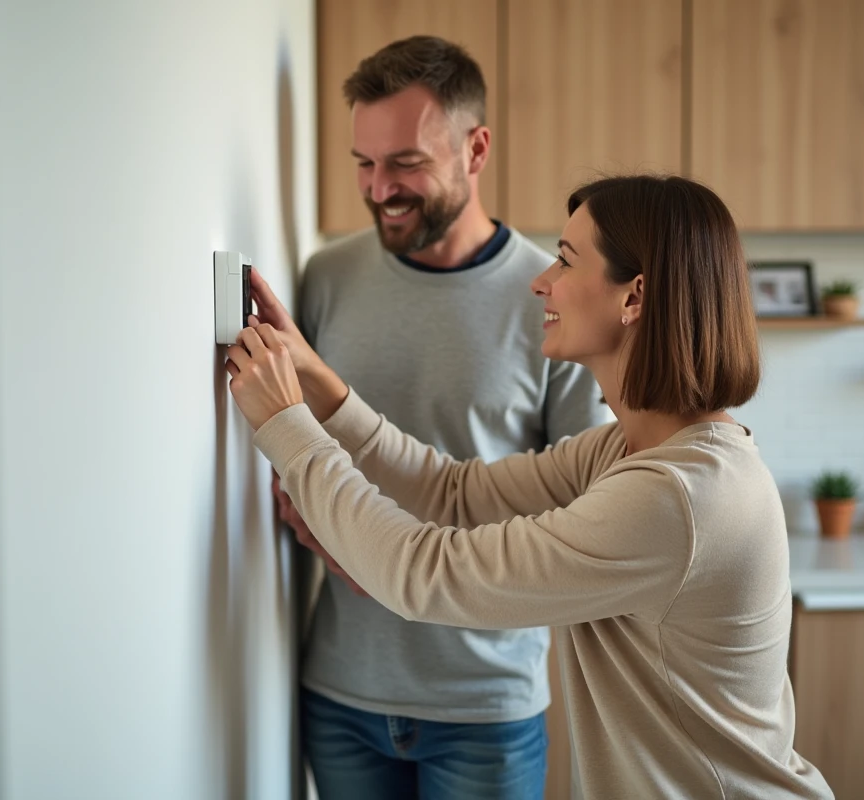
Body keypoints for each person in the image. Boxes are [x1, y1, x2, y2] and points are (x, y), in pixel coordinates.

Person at [227, 174, 835, 799]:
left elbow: (426, 575)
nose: (541, 281)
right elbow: (454, 493)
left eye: (566, 261)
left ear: (634, 296)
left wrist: (288, 427)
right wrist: (316, 382)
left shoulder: (676, 496)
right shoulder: (627, 450)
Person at [278, 35, 605, 800]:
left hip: (485, 707)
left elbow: (581, 510)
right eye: (364, 163)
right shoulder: (326, 277)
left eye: (406, 164)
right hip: (342, 693)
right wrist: (304, 516)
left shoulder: (552, 297)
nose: (379, 189)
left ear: (476, 148)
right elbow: (300, 459)